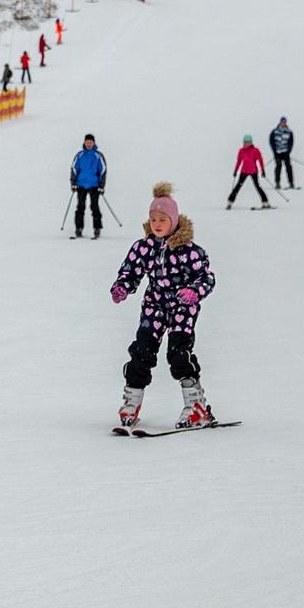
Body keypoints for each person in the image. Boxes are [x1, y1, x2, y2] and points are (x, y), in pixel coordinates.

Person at [110, 182, 220, 430]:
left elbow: (206, 278)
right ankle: (132, 400)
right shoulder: (144, 248)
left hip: (182, 306)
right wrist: (122, 287)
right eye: (153, 219)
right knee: (142, 350)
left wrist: (194, 292)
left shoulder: (189, 251)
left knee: (178, 354)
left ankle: (196, 405)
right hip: (154, 305)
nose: (157, 224)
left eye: (162, 219)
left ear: (173, 220)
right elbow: (130, 271)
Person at [70, 133, 107, 238]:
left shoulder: (98, 156)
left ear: (94, 143)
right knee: (80, 207)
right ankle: (78, 228)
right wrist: (73, 183)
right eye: (87, 142)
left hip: (94, 185)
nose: (89, 144)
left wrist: (101, 185)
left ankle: (97, 228)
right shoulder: (80, 155)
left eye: (91, 142)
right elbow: (74, 169)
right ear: (84, 143)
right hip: (81, 185)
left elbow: (103, 171)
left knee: (94, 207)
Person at [227, 135, 272, 208]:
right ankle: (230, 202)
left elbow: (260, 160)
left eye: (248, 142)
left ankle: (265, 202)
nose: (246, 144)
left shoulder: (255, 150)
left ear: (251, 142)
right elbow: (239, 161)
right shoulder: (241, 151)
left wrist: (263, 170)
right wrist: (235, 170)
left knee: (257, 186)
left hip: (253, 171)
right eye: (245, 142)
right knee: (238, 186)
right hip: (244, 171)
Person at [268, 116, 295, 188]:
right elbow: (271, 141)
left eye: (284, 122)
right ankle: (277, 183)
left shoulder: (289, 132)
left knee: (288, 167)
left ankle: (291, 183)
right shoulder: (274, 131)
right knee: (278, 166)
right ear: (280, 122)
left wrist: (288, 151)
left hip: (285, 152)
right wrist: (274, 150)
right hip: (277, 153)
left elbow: (291, 142)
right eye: (282, 122)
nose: (283, 123)